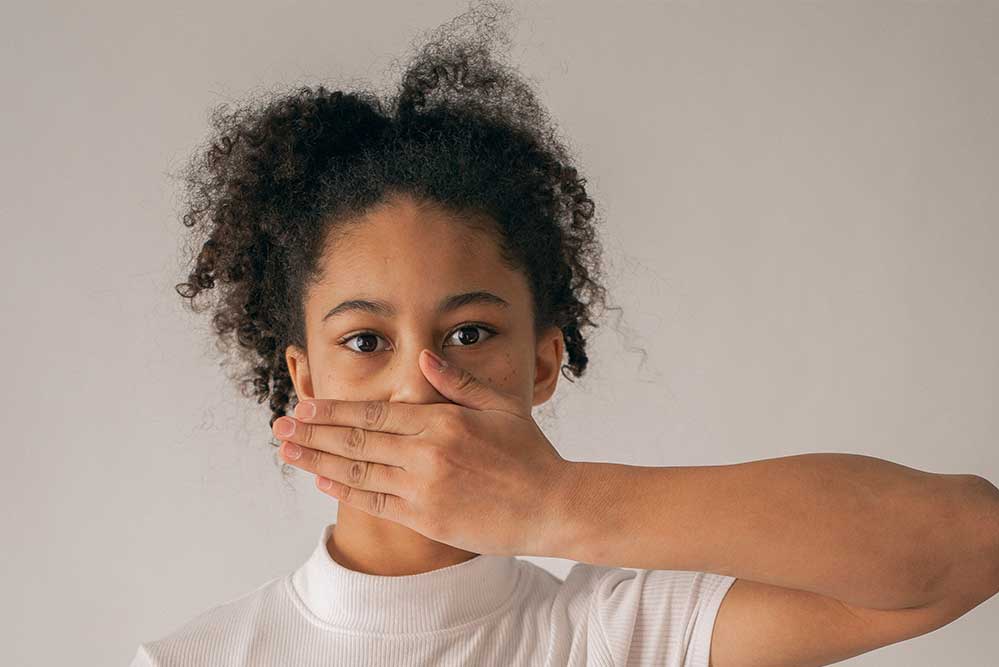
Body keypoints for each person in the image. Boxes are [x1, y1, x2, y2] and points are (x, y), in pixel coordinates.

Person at [129, 3, 736, 665]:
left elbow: (875, 565)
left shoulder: (619, 633)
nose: (418, 384)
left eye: (469, 333)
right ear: (303, 380)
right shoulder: (191, 660)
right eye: (365, 340)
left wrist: (558, 499)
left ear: (542, 362)